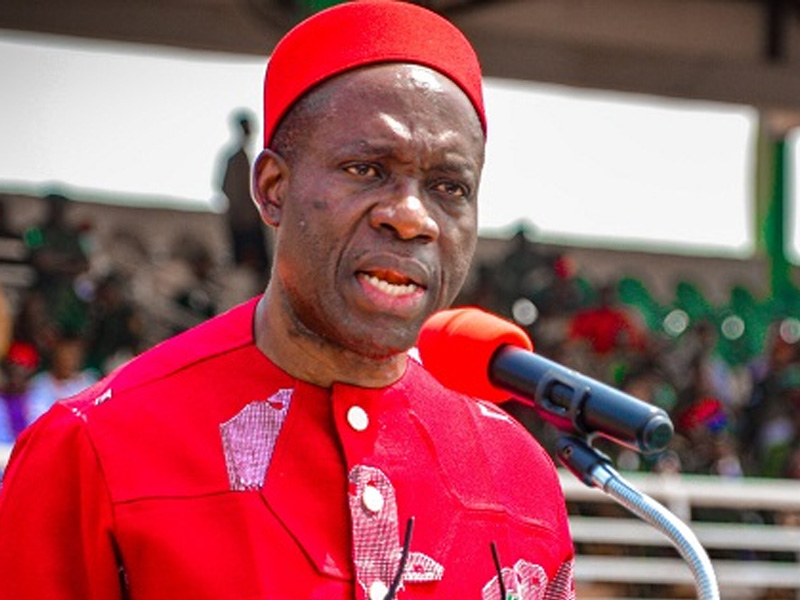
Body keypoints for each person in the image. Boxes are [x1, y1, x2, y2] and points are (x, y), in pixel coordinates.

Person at [0, 2, 575, 599]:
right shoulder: (93, 447)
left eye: (449, 187)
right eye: (366, 169)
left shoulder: (518, 473)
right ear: (272, 190)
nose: (411, 217)